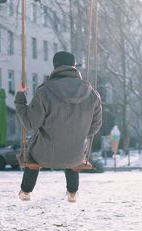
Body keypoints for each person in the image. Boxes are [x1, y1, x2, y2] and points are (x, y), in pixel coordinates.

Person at [14, 51, 102, 203]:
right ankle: (72, 192)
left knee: (31, 154)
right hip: (76, 155)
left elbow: (30, 124)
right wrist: (78, 133)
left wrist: (20, 97)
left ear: (55, 67)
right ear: (74, 67)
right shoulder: (92, 94)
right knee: (73, 152)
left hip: (44, 155)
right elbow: (94, 128)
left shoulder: (45, 91)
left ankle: (26, 191)